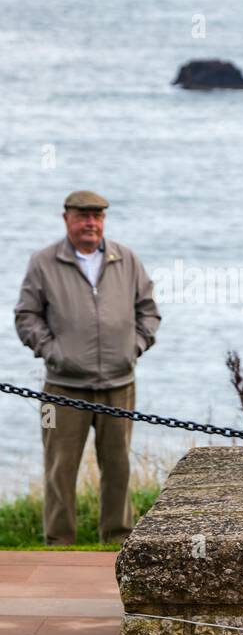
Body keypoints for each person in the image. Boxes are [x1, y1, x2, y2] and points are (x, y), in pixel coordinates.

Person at [14, 191, 161, 545]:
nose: (90, 224)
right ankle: (59, 542)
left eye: (96, 217)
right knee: (59, 468)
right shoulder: (44, 262)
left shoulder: (126, 259)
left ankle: (117, 539)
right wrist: (52, 351)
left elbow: (149, 312)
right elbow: (26, 315)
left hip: (119, 383)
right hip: (61, 387)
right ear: (66, 219)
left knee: (118, 466)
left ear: (104, 221)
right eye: (82, 216)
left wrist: (134, 347)